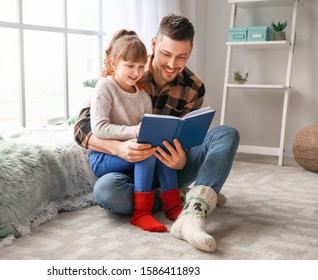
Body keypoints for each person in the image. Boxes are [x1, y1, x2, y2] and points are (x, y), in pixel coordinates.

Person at [74, 14, 240, 253]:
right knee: (106, 192)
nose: (172, 64)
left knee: (227, 134)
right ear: (154, 45)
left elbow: (189, 137)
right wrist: (118, 148)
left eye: (181, 56)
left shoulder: (193, 87)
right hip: (128, 167)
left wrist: (182, 158)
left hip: (171, 166)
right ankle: (196, 195)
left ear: (191, 51)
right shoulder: (129, 69)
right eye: (166, 54)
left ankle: (192, 213)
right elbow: (82, 127)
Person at [88, 29, 182, 233]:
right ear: (114, 64)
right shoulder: (105, 87)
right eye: (129, 66)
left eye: (140, 66)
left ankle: (173, 206)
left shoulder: (143, 97)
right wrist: (135, 132)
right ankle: (141, 213)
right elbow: (99, 128)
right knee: (144, 151)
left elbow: (145, 132)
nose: (136, 72)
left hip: (132, 155)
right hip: (104, 157)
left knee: (158, 147)